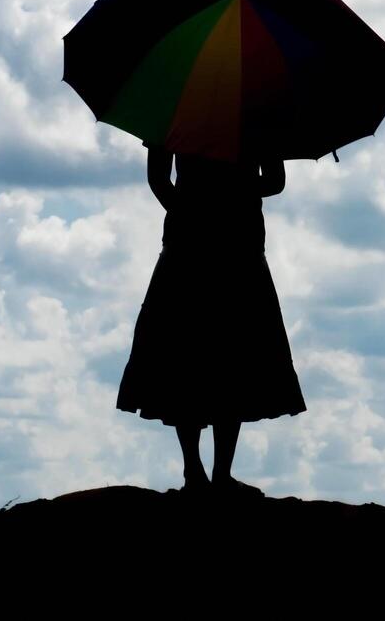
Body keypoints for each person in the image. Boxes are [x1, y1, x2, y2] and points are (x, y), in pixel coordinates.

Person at [116, 143, 307, 499]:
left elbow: (158, 180)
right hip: (234, 247)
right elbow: (275, 181)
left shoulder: (174, 110)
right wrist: (235, 193)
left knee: (193, 360)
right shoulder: (256, 112)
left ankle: (202, 472)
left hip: (201, 248)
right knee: (228, 361)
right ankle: (210, 473)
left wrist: (191, 209)